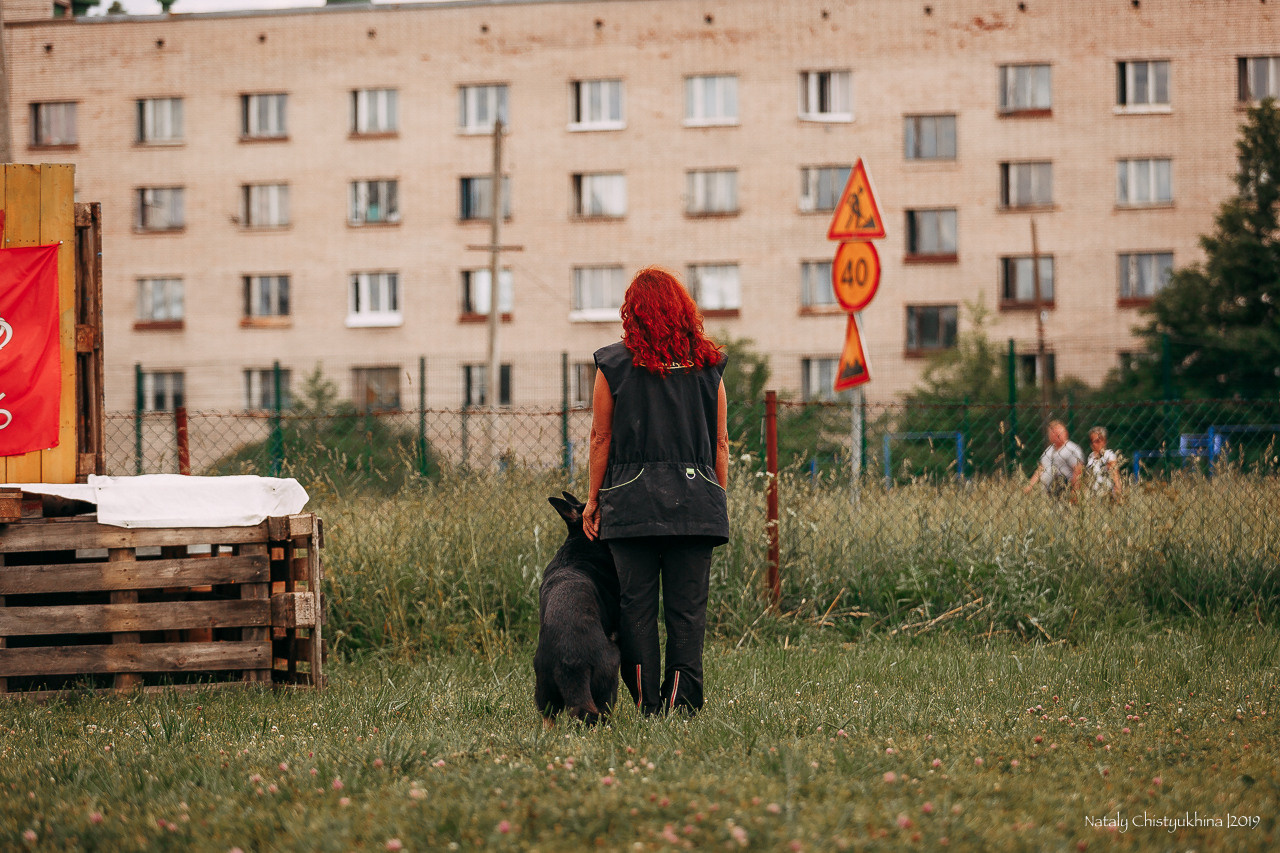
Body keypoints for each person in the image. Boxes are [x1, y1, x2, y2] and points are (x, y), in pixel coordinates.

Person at [582, 266, 729, 717]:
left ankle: (648, 704)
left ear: (633, 313)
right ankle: (682, 704)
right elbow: (721, 443)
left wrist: (593, 500)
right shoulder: (709, 366)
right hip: (697, 503)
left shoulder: (613, 365)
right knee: (688, 613)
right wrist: (713, 498)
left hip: (631, 505)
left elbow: (600, 438)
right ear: (683, 310)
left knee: (637, 609)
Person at [1023, 419, 1084, 499]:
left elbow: (1078, 471)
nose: (1055, 435)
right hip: (1049, 492)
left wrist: (1074, 492)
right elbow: (1041, 468)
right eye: (1052, 433)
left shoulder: (1071, 449)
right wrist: (1030, 486)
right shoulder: (1049, 450)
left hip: (1064, 490)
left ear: (1065, 433)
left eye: (1058, 433)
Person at [1086, 425, 1123, 498]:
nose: (1093, 444)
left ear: (1104, 442)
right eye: (1092, 441)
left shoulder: (1109, 455)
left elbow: (1115, 477)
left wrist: (1118, 495)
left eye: (1097, 441)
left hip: (1106, 495)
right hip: (1093, 496)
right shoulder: (1091, 457)